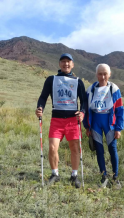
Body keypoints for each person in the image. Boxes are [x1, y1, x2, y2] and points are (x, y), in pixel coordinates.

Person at [35, 53, 87, 188]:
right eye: (63, 61)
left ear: (73, 64)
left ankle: (74, 175)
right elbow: (43, 97)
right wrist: (40, 108)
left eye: (69, 61)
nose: (66, 64)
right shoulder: (51, 80)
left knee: (75, 148)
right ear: (59, 64)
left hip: (72, 121)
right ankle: (55, 174)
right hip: (56, 120)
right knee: (52, 148)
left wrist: (82, 113)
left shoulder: (78, 81)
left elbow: (84, 101)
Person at [83, 63, 124, 188]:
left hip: (109, 122)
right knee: (99, 151)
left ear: (109, 74)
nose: (102, 77)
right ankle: (104, 176)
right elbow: (86, 108)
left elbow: (120, 109)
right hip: (95, 121)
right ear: (96, 74)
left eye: (105, 74)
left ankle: (115, 177)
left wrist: (118, 128)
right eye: (100, 74)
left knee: (112, 149)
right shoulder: (90, 89)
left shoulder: (114, 89)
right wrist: (87, 126)